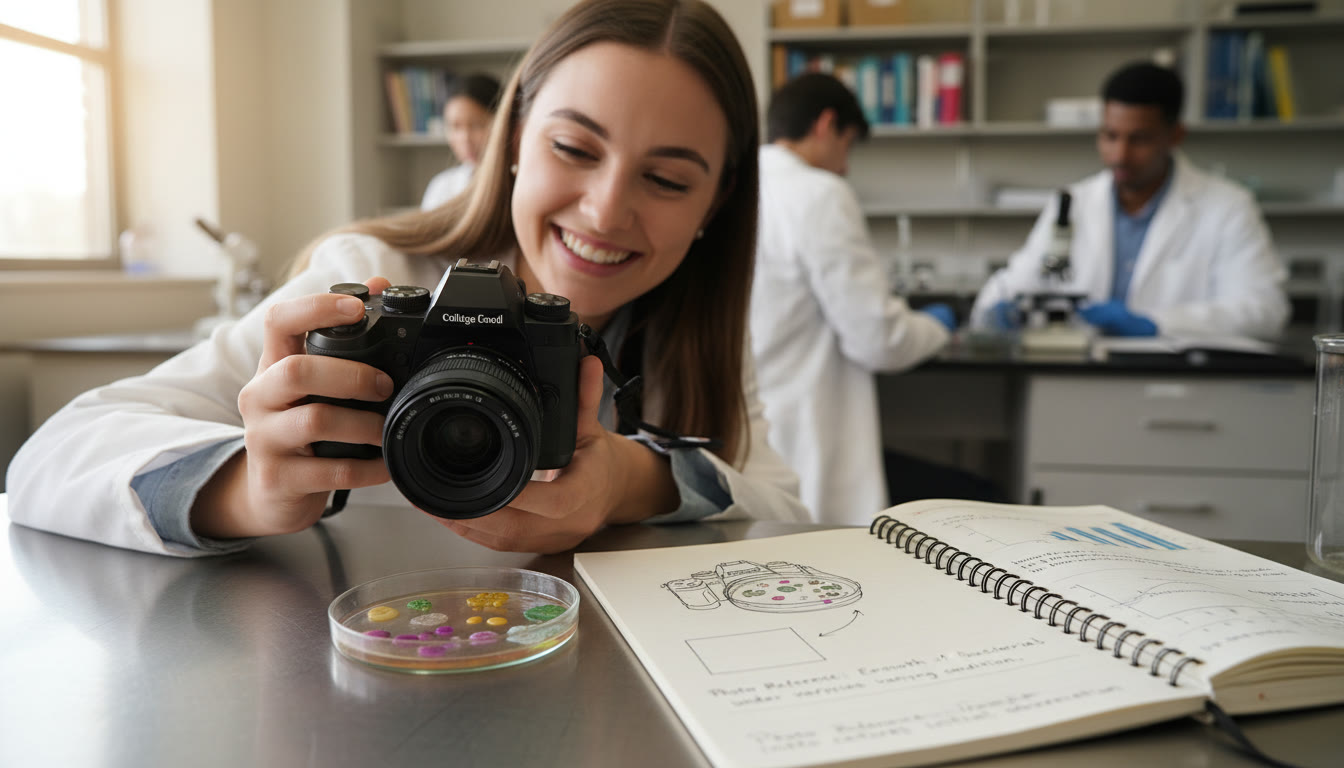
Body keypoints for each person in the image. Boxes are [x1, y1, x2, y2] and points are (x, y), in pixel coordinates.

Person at [6, 0, 811, 557]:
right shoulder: (372, 284)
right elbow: (52, 460)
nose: (605, 212)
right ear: (517, 138)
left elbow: (789, 514)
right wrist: (249, 488)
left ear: (718, 201)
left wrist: (632, 480)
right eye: (574, 149)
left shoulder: (691, 333)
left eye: (667, 180)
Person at [751, 72, 957, 525]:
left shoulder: (733, 186)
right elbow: (878, 340)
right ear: (826, 125)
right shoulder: (819, 192)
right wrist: (939, 326)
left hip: (749, 435)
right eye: (847, 147)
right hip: (807, 436)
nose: (845, 166)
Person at [969, 61, 1289, 341]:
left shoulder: (1228, 207)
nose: (1120, 155)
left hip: (1180, 380)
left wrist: (1155, 323)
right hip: (1079, 376)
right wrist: (993, 311)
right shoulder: (1073, 202)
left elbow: (1265, 311)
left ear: (1175, 135)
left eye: (1139, 139)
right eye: (1110, 136)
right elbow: (1012, 285)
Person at [421, 73, 501, 210]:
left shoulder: (521, 184)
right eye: (455, 126)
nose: (465, 139)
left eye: (477, 125)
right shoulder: (442, 186)